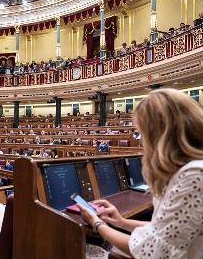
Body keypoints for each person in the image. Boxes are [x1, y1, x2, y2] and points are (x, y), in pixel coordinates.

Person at [77, 89, 203, 259]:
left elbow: (157, 250)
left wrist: (97, 224)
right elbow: (163, 232)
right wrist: (120, 222)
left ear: (161, 134)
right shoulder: (190, 170)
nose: (141, 140)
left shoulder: (194, 174)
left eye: (143, 132)